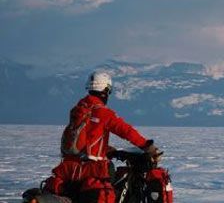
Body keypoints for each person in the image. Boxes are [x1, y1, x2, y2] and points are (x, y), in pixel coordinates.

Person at [42, 71, 159, 203]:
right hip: (92, 169)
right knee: (110, 184)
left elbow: (87, 137)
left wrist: (107, 149)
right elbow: (126, 130)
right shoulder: (103, 112)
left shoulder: (79, 109)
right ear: (106, 90)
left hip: (69, 168)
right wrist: (147, 146)